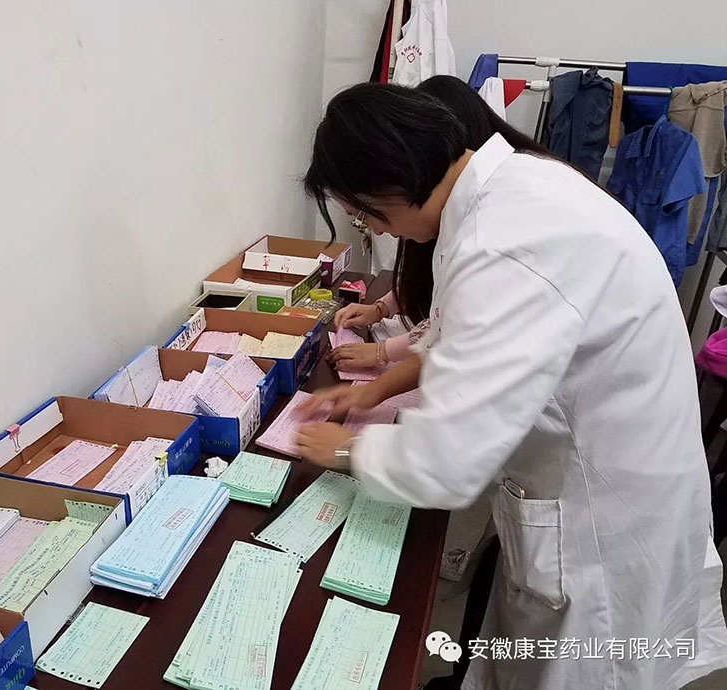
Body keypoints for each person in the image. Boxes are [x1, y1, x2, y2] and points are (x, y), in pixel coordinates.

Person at [297, 82, 727, 689]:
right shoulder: (511, 190)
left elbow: (446, 460)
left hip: (604, 523)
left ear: (388, 182)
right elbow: (463, 335)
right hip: (613, 474)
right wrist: (376, 387)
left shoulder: (500, 242)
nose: (375, 229)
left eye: (364, 214)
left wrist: (347, 449)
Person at [329, 76, 550, 374]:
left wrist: (382, 355)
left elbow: (456, 341)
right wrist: (380, 310)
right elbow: (432, 301)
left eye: (363, 214)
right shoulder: (466, 204)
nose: (377, 230)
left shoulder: (489, 231)